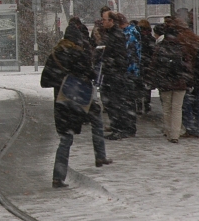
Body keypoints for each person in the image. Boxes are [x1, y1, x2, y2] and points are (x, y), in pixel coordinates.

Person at [42, 18, 110, 189]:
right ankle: (100, 155)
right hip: (79, 100)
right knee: (96, 118)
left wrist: (61, 80)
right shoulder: (78, 54)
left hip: (61, 102)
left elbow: (44, 81)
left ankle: (58, 177)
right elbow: (91, 75)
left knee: (65, 139)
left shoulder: (55, 54)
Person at [144, 18, 192, 142]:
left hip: (165, 82)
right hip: (180, 82)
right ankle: (175, 134)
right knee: (177, 108)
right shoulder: (182, 48)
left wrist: (152, 80)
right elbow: (188, 66)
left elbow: (153, 65)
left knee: (166, 107)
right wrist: (189, 80)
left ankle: (168, 131)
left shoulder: (160, 48)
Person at [97, 10, 133, 140]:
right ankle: (117, 127)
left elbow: (120, 56)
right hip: (110, 73)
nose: (102, 22)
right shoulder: (110, 34)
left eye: (104, 19)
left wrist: (110, 63)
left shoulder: (116, 35)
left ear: (111, 21)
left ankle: (120, 128)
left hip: (114, 74)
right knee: (111, 102)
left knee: (115, 102)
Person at [136, 19, 156, 114]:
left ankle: (139, 105)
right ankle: (147, 104)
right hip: (148, 64)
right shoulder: (151, 39)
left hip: (139, 64)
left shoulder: (137, 38)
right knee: (147, 85)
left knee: (138, 85)